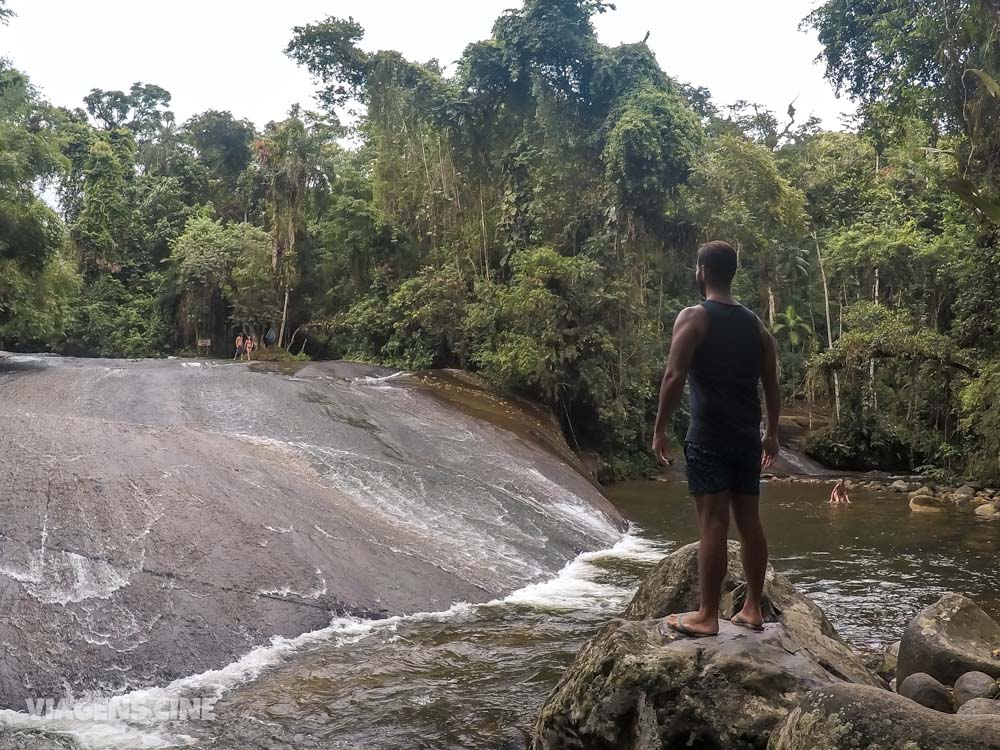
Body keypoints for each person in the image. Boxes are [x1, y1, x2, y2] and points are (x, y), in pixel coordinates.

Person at [651, 240, 781, 638]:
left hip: (708, 436)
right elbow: (771, 385)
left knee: (712, 524)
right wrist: (770, 434)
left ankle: (707, 615)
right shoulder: (756, 326)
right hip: (746, 437)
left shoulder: (694, 318)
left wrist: (659, 428)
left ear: (703, 271)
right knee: (750, 524)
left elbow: (674, 377)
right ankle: (753, 608)